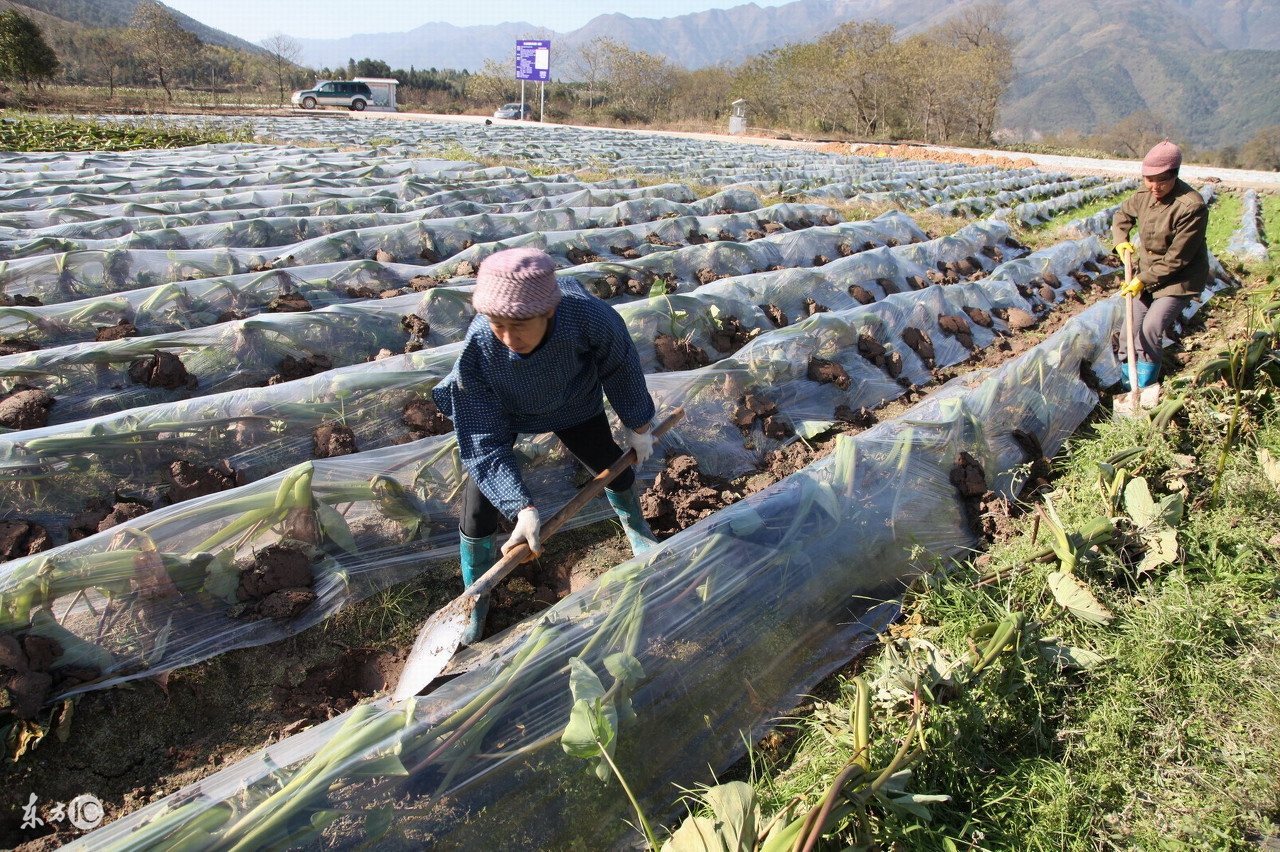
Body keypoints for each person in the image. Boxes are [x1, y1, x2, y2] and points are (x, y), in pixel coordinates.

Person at [432, 247, 660, 643]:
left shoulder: (587, 316)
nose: (507, 337)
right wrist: (520, 507)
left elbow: (619, 365)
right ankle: (475, 593)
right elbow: (483, 437)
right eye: (497, 324)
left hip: (574, 402)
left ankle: (636, 527)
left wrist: (638, 425)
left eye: (519, 325)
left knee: (610, 466)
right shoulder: (480, 346)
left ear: (548, 312)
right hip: (505, 411)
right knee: (477, 511)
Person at [1111, 139, 1210, 397]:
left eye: (1161, 181)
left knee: (1151, 328)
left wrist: (1142, 279)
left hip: (1179, 278)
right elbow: (1122, 216)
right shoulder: (1144, 197)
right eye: (1149, 180)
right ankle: (1127, 387)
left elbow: (1178, 258)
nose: (1154, 187)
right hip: (1146, 273)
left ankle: (1145, 390)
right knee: (1128, 332)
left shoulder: (1192, 206)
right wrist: (1121, 243)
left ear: (1175, 177)